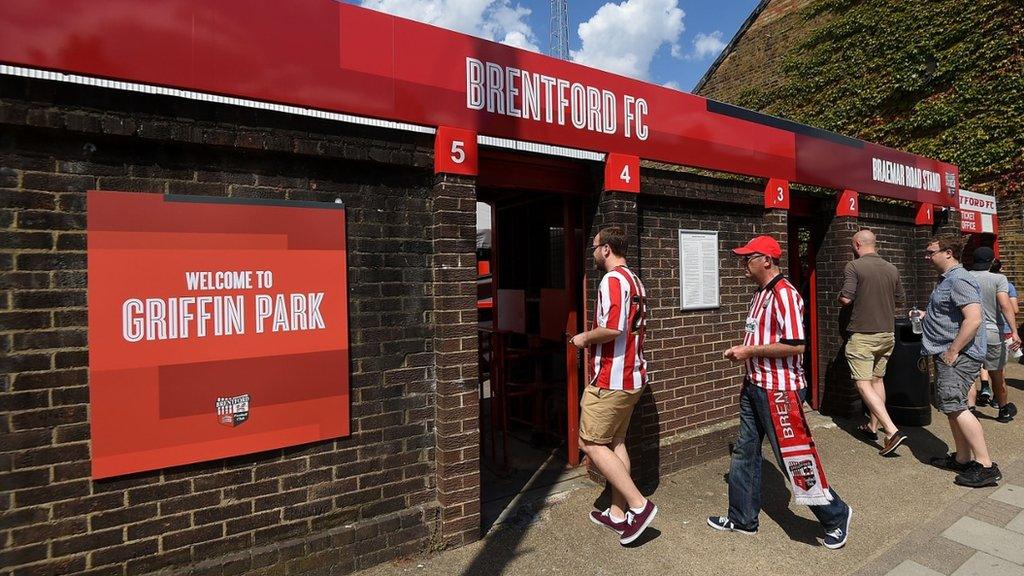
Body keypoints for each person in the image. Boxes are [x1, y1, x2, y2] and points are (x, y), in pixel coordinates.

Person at [707, 235, 852, 550]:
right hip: (755, 386)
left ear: (766, 260)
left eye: (748, 258)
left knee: (793, 459)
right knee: (745, 451)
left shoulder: (786, 295)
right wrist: (749, 360)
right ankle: (742, 518)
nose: (742, 264)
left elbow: (796, 345)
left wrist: (749, 352)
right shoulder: (760, 294)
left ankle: (836, 514)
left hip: (780, 391)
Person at [571, 226, 656, 546]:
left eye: (594, 247)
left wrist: (583, 338)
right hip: (633, 378)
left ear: (606, 249)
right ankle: (617, 513)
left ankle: (639, 505)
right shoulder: (635, 280)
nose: (593, 253)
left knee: (590, 444)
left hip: (611, 379)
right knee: (616, 442)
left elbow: (612, 328)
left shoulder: (612, 280)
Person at [920, 235, 1001, 487]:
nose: (927, 256)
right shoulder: (946, 280)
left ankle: (986, 465)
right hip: (949, 353)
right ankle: (963, 457)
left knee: (955, 406)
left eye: (930, 251)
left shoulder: (959, 279)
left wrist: (953, 351)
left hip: (958, 355)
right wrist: (927, 316)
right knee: (950, 405)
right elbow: (953, 314)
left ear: (948, 253)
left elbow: (973, 318)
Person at [838, 229, 907, 455]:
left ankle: (891, 430)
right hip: (887, 334)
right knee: (878, 381)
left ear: (857, 244)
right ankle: (872, 427)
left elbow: (847, 298)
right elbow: (900, 301)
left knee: (862, 384)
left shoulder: (854, 266)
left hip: (863, 335)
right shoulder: (891, 268)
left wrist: (840, 297)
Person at [966, 248, 1020, 423]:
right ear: (991, 261)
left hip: (969, 332)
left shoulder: (965, 276)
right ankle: (1003, 410)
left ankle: (970, 411)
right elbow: (1006, 306)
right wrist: (1014, 331)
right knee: (997, 374)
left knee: (969, 374)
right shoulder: (999, 279)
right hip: (993, 333)